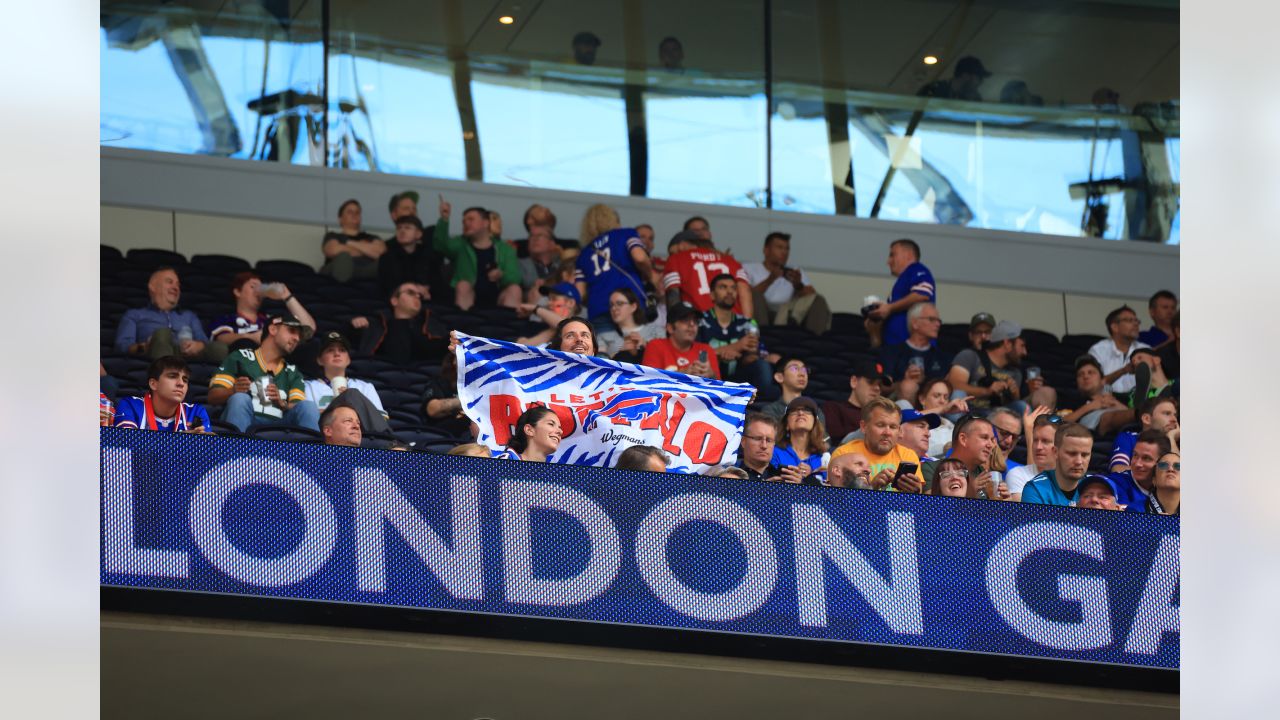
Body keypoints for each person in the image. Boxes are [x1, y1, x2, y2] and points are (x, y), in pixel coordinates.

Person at [207, 315, 320, 432]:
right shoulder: (239, 357)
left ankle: (313, 450)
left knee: (309, 406)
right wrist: (233, 390)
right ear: (273, 329)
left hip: (279, 428)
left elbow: (298, 406)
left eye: (299, 335)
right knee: (239, 399)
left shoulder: (293, 372)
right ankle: (237, 448)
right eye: (292, 331)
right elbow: (212, 397)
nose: (297, 338)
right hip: (246, 423)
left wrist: (282, 403)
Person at [114, 266, 229, 363]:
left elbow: (204, 341)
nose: (176, 288)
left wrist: (198, 345)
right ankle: (167, 382)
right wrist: (144, 346)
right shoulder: (135, 315)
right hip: (155, 354)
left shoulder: (189, 316)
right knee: (162, 334)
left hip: (187, 355)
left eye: (178, 285)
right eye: (169, 282)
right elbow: (122, 346)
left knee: (220, 348)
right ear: (152, 286)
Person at [434, 197, 522, 311]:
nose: (466, 223)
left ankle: (508, 327)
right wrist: (444, 219)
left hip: (498, 298)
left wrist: (501, 275)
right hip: (469, 297)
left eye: (471, 219)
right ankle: (463, 325)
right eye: (464, 221)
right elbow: (440, 246)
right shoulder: (460, 245)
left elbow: (516, 278)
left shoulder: (506, 249)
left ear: (485, 223)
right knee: (463, 285)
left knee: (515, 289)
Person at [574, 203, 655, 325]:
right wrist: (649, 275)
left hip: (599, 310)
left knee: (606, 343)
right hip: (629, 303)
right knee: (633, 342)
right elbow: (640, 257)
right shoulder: (626, 234)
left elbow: (579, 293)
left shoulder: (583, 254)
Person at [742, 232, 831, 334]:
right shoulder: (749, 268)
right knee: (755, 295)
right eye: (779, 248)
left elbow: (812, 297)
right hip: (761, 314)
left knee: (819, 300)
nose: (784, 252)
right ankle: (763, 336)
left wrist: (798, 285)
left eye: (787, 249)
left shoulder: (795, 272)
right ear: (766, 250)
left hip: (787, 315)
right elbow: (746, 297)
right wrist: (771, 279)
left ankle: (814, 342)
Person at [830, 397, 925, 492]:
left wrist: (915, 492)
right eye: (880, 425)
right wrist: (871, 488)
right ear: (864, 427)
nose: (887, 432)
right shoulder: (844, 454)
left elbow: (919, 496)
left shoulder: (908, 456)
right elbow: (838, 499)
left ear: (899, 431)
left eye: (893, 427)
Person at [698, 273, 772, 392]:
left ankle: (758, 406)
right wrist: (735, 347)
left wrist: (745, 356)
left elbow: (752, 356)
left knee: (762, 367)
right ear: (712, 295)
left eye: (733, 288)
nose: (729, 291)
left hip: (738, 377)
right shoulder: (699, 321)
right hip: (708, 378)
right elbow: (696, 355)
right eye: (723, 287)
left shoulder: (748, 323)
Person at [303, 331, 389, 431]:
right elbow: (307, 417)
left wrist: (352, 402)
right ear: (319, 360)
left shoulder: (365, 387)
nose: (337, 353)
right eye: (330, 350)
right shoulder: (308, 386)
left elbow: (380, 421)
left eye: (342, 350)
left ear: (348, 359)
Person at [210, 271, 315, 351]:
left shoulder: (270, 320)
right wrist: (252, 337)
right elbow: (221, 340)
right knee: (244, 344)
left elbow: (309, 329)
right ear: (237, 291)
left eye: (261, 288)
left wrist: (287, 296)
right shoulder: (226, 319)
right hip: (245, 366)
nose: (258, 291)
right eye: (253, 287)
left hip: (274, 365)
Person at [350, 282, 449, 365]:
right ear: (394, 301)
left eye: (420, 296)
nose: (417, 297)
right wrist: (354, 325)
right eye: (411, 293)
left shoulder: (430, 323)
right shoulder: (376, 324)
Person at [864, 239, 936, 349]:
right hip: (895, 349)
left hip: (912, 350)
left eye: (892, 255)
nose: (888, 261)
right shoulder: (901, 282)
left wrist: (889, 308)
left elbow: (922, 294)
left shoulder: (917, 269)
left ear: (908, 255)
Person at [113, 356, 212, 433]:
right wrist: (184, 442)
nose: (181, 383)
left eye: (185, 380)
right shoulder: (130, 405)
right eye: (172, 376)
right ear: (153, 384)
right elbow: (128, 445)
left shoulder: (195, 412)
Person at [922, 413, 1009, 500]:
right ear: (963, 439)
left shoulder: (984, 474)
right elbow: (931, 507)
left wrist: (1005, 503)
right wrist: (970, 490)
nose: (991, 445)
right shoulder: (931, 468)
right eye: (984, 437)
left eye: (992, 439)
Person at [663, 235, 753, 318]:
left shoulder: (675, 259)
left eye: (672, 252)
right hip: (732, 324)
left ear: (683, 245)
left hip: (697, 324)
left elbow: (673, 295)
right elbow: (744, 292)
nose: (672, 255)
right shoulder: (732, 261)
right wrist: (748, 324)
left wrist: (674, 323)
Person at [946, 320, 1026, 413]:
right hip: (968, 413)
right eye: (1022, 346)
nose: (1025, 352)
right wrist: (988, 391)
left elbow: (1009, 406)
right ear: (1007, 343)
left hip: (996, 416)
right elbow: (954, 385)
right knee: (957, 394)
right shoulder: (970, 356)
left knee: (1021, 406)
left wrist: (1014, 395)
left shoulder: (1016, 372)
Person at [878, 302, 949, 402]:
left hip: (931, 404)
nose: (938, 324)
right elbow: (882, 388)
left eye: (939, 321)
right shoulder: (892, 352)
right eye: (931, 319)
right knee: (909, 386)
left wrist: (923, 381)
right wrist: (904, 381)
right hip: (895, 404)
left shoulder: (942, 357)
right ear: (915, 323)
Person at [1020, 423, 1094, 507]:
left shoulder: (1097, 487)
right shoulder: (1036, 489)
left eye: (1085, 455)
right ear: (1055, 452)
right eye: (1072, 454)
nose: (1079, 461)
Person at [641, 303, 719, 379]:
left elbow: (720, 388)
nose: (692, 324)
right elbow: (649, 382)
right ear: (670, 328)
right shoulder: (655, 346)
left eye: (695, 321)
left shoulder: (706, 350)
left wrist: (711, 375)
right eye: (685, 320)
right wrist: (682, 376)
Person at [823, 359, 890, 445]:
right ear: (854, 381)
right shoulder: (834, 408)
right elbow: (837, 445)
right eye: (871, 382)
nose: (877, 388)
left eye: (880, 385)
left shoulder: (881, 413)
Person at [1063, 355, 1132, 436]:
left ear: (1102, 380)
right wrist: (1090, 406)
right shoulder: (1071, 400)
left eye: (1091, 372)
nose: (1085, 376)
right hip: (1091, 433)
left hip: (1128, 434)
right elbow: (1056, 422)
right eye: (1080, 374)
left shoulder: (1117, 398)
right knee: (1106, 418)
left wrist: (1115, 403)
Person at [1088, 305, 1150, 394]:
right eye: (1129, 320)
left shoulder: (1145, 349)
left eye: (1136, 320)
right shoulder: (1098, 350)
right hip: (1105, 403)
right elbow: (1093, 385)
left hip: (1138, 403)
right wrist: (1123, 371)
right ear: (1114, 327)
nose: (1136, 324)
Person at [377, 214, 440, 301]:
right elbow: (389, 286)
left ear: (418, 234)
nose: (402, 231)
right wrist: (415, 289)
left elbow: (437, 282)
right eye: (399, 228)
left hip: (426, 301)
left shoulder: (428, 256)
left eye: (407, 228)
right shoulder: (387, 257)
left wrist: (427, 289)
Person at [320, 199, 385, 283]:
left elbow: (381, 253)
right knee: (344, 257)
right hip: (339, 274)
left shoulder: (371, 237)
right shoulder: (333, 236)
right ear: (340, 219)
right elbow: (333, 250)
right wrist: (367, 250)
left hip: (366, 272)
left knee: (385, 262)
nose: (354, 215)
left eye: (357, 212)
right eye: (350, 212)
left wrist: (349, 243)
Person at [1110, 396, 1179, 473]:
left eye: (1175, 415)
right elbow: (1118, 469)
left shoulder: (1178, 443)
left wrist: (1171, 438)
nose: (1174, 419)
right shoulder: (1129, 438)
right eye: (1167, 413)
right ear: (1146, 419)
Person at [770, 398, 830, 485]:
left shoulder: (824, 458)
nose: (801, 413)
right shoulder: (773, 452)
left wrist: (810, 478)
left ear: (814, 423)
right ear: (786, 424)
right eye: (794, 410)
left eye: (807, 410)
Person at [1110, 428, 1172, 511]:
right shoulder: (1116, 484)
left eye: (1146, 458)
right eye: (1135, 455)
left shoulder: (1171, 487)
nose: (1137, 464)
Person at [1005, 413, 1063, 501]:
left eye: (1045, 441)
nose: (1038, 447)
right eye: (1035, 440)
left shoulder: (1073, 479)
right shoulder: (1018, 474)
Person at [596, 288, 665, 362]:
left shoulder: (656, 330)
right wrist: (620, 353)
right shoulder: (603, 336)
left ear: (633, 306)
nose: (614, 308)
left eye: (619, 304)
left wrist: (646, 346)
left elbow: (666, 356)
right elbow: (599, 364)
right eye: (611, 305)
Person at [736, 413, 805, 483]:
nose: (764, 446)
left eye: (769, 440)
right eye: (758, 439)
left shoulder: (786, 477)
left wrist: (799, 489)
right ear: (743, 441)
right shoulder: (729, 474)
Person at [761, 356, 826, 427]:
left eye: (804, 370)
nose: (802, 374)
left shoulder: (815, 411)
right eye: (795, 368)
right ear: (779, 377)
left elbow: (822, 437)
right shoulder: (771, 411)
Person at [516, 283, 585, 347]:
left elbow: (566, 325)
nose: (549, 303)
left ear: (570, 303)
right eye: (549, 299)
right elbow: (519, 348)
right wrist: (553, 329)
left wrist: (536, 309)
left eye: (554, 299)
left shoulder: (582, 331)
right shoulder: (533, 326)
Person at [420, 352, 469, 438]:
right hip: (443, 435)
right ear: (454, 361)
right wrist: (468, 401)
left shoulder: (485, 384)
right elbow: (432, 409)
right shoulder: (440, 381)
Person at [494, 406, 562, 462]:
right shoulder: (503, 463)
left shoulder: (556, 474)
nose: (560, 431)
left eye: (559, 427)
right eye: (551, 424)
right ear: (529, 430)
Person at [518, 226, 562, 303]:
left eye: (540, 235)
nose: (535, 239)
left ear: (552, 244)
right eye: (531, 236)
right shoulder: (519, 264)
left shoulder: (562, 265)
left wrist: (548, 282)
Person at [918, 55, 992, 101]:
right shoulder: (932, 91)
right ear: (966, 76)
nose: (980, 83)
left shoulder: (974, 98)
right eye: (979, 78)